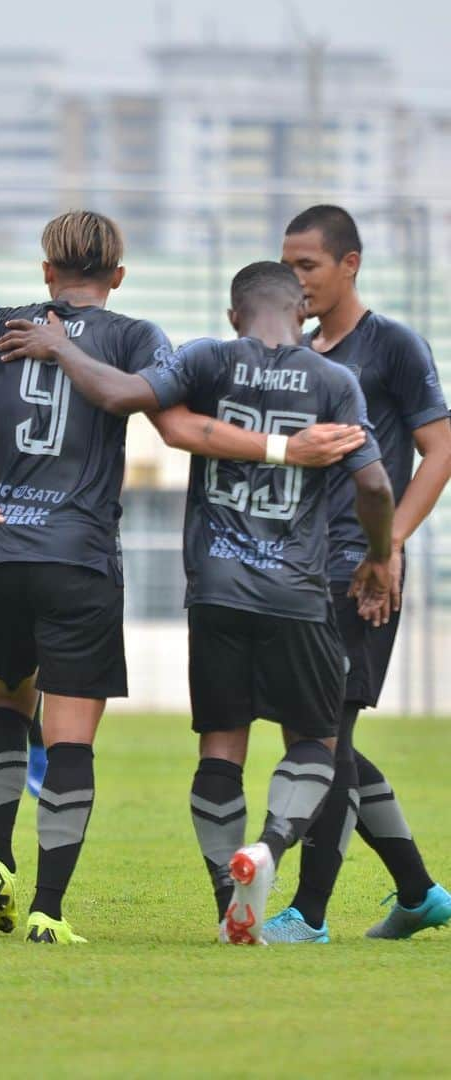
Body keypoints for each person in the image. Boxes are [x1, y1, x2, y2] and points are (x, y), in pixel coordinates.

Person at [0, 212, 363, 944]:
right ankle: (46, 907)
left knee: (9, 706)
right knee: (70, 740)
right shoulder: (138, 338)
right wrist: (286, 447)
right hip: (81, 559)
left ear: (47, 271)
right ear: (120, 275)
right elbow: (167, 423)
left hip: (1, 551)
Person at [0, 259, 394, 943]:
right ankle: (266, 849)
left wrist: (61, 345)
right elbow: (378, 487)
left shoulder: (208, 359)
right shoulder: (335, 382)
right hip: (297, 592)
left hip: (214, 590)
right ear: (300, 310)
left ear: (234, 313)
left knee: (220, 750)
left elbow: (129, 397)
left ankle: (225, 902)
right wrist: (382, 553)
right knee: (318, 744)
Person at [261, 205, 451, 942]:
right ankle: (418, 892)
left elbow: (439, 450)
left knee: (321, 737)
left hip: (362, 573)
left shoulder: (394, 345)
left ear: (350, 264)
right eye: (287, 264)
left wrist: (389, 545)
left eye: (307, 264)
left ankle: (308, 913)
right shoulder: (301, 352)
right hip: (303, 570)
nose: (295, 278)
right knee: (317, 739)